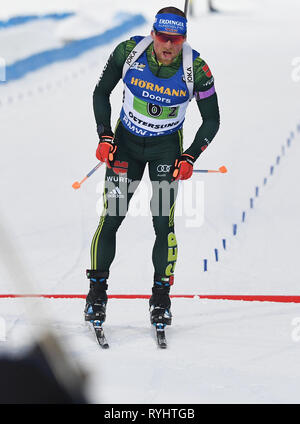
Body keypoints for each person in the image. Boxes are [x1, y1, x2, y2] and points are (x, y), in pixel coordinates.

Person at [84, 6, 220, 328]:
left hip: (164, 151)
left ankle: (161, 298)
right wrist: (105, 135)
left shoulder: (197, 69)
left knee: (163, 223)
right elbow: (101, 91)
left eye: (175, 39)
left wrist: (190, 156)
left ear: (184, 39)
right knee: (112, 216)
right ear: (153, 34)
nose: (168, 46)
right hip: (126, 148)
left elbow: (212, 119)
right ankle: (96, 294)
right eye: (162, 38)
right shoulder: (129, 52)